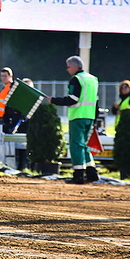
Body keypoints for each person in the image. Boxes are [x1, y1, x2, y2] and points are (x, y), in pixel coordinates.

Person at [47, 56, 99, 184]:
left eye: (68, 66)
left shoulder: (76, 80)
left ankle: (78, 175)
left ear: (76, 67)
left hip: (78, 116)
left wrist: (54, 100)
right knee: (83, 145)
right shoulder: (93, 79)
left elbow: (72, 99)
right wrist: (96, 119)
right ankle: (92, 172)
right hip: (90, 116)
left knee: (76, 145)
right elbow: (95, 101)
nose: (67, 69)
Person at [0, 67, 23, 134]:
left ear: (10, 76)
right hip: (3, 117)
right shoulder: (4, 88)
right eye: (2, 76)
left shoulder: (13, 86)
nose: (3, 78)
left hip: (11, 118)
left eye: (5, 76)